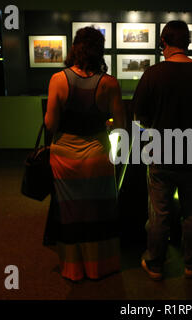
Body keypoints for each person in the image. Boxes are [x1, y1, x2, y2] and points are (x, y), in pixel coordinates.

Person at [133, 20, 192, 280]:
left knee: (160, 213)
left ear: (163, 43)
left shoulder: (153, 74)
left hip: (160, 152)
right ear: (189, 43)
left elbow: (139, 116)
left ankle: (156, 264)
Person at [44, 27, 126, 281]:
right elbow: (121, 126)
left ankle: (74, 269)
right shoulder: (109, 83)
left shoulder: (58, 79)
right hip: (97, 155)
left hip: (64, 157)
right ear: (99, 51)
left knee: (70, 214)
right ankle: (99, 266)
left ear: (75, 48)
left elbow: (50, 124)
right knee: (98, 212)